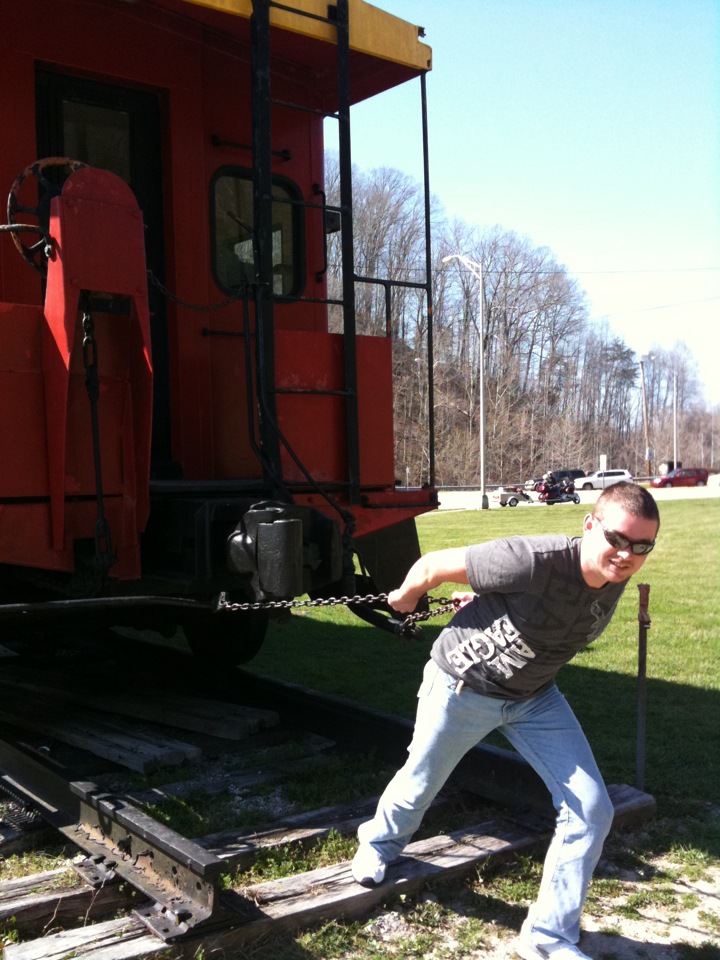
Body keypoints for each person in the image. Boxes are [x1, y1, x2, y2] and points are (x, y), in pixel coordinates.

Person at [351, 481, 660, 960]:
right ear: (589, 525)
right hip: (463, 687)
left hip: (534, 698)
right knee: (421, 782)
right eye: (617, 539)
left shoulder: (612, 575)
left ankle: (547, 936)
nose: (626, 555)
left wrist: (491, 606)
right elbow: (432, 566)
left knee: (592, 809)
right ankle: (378, 844)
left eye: (641, 547)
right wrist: (407, 597)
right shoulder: (532, 559)